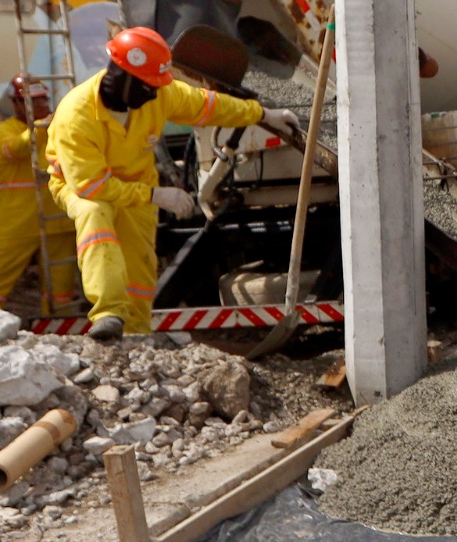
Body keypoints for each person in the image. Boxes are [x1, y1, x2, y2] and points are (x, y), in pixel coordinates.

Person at [46, 28, 299, 340]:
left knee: (139, 269)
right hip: (81, 186)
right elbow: (91, 186)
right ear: (124, 78)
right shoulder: (77, 115)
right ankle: (108, 312)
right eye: (148, 87)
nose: (155, 94)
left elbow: (209, 106)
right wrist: (157, 195)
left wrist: (263, 115)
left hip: (137, 185)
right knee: (95, 212)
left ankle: (136, 336)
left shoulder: (157, 94)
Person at [0, 75, 76, 316]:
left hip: (57, 220)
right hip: (18, 224)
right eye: (33, 101)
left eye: (43, 99)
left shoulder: (55, 130)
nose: (41, 105)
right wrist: (43, 126)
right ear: (16, 104)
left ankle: (59, 326)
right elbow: (17, 150)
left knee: (61, 288)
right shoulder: (5, 131)